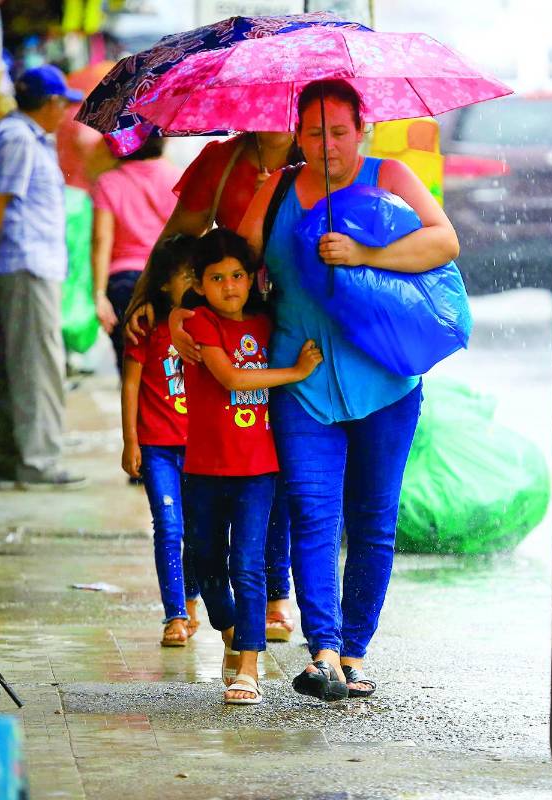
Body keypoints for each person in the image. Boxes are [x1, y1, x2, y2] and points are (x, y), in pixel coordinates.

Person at [229, 79, 461, 701]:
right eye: (312, 132)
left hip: (384, 382)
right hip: (299, 381)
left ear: (363, 129)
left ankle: (355, 650)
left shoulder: (391, 176)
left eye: (338, 132)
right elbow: (235, 259)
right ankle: (323, 652)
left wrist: (363, 253)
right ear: (296, 135)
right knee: (311, 512)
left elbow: (443, 241)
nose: (326, 145)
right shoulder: (276, 189)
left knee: (373, 521)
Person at [125, 130, 303, 642]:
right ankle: (232, 611)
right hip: (227, 331)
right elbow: (178, 237)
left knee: (279, 481)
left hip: (290, 327)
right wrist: (151, 301)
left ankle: (273, 598)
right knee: (217, 526)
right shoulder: (222, 161)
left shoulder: (319, 152)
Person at [180, 229, 322, 705]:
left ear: (251, 279)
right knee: (205, 562)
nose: (229, 286)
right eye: (217, 278)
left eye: (238, 275)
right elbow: (231, 377)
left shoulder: (267, 322)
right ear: (199, 284)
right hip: (202, 467)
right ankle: (233, 630)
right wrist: (295, 373)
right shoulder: (201, 323)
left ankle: (249, 667)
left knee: (248, 563)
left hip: (259, 469)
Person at [0, 65, 86, 490]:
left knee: (18, 367)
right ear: (49, 104)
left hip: (24, 264)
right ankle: (37, 463)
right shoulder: (17, 137)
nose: (65, 111)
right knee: (37, 368)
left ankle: (10, 463)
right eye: (62, 103)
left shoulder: (23, 136)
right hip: (25, 264)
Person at [120, 236, 200, 646]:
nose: (191, 279)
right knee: (169, 527)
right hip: (157, 447)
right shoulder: (146, 326)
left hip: (203, 447)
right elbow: (131, 385)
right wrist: (129, 440)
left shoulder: (206, 322)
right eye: (183, 273)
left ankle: (192, 601)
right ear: (164, 283)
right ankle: (175, 615)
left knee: (201, 529)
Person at [91, 134, 181, 372]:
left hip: (123, 281)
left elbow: (102, 239)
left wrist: (99, 294)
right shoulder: (176, 176)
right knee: (171, 366)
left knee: (131, 364)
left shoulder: (108, 182)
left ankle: (132, 410)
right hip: (168, 278)